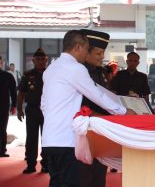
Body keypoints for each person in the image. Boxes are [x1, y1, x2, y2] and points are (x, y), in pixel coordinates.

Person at [40, 30, 134, 187]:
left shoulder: (51, 68)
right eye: (86, 48)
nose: (86, 53)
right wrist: (124, 112)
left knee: (57, 182)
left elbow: (44, 105)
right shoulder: (76, 68)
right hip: (67, 141)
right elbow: (97, 96)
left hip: (49, 140)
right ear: (78, 47)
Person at [78, 29, 115, 187]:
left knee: (99, 175)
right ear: (87, 52)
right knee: (84, 176)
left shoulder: (100, 72)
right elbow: (81, 103)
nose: (102, 57)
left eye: (103, 53)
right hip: (85, 131)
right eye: (99, 53)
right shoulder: (80, 72)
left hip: (100, 131)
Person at [16, 48, 48, 174]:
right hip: (32, 109)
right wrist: (19, 109)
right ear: (33, 60)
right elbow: (21, 93)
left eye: (42, 59)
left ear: (46, 60)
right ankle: (30, 164)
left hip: (47, 111)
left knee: (46, 138)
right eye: (37, 59)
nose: (40, 62)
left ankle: (46, 164)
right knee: (31, 138)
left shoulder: (50, 74)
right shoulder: (28, 74)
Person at [0, 55, 17, 157]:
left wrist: (14, 105)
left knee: (2, 128)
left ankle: (2, 150)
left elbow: (13, 92)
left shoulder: (8, 76)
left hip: (3, 106)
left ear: (1, 63)